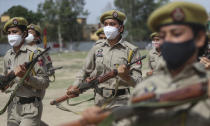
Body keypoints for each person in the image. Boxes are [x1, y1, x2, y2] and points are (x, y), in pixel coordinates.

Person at [77, 1, 210, 126]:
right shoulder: (146, 89)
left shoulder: (205, 83)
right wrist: (105, 120)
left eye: (176, 33)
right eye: (163, 35)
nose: (167, 41)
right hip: (101, 99)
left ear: (199, 38)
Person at [67, 10, 142, 109]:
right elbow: (85, 71)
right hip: (99, 101)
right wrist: (75, 86)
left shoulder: (131, 51)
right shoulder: (97, 48)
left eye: (112, 24)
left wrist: (126, 76)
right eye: (106, 24)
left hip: (121, 102)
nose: (108, 27)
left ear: (121, 28)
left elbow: (139, 82)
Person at [3, 17, 49, 126]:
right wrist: (4, 84)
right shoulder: (7, 56)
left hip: (31, 107)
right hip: (13, 108)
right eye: (9, 33)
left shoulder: (34, 54)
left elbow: (45, 82)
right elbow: (5, 83)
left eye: (15, 32)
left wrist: (27, 77)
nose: (11, 35)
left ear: (24, 34)